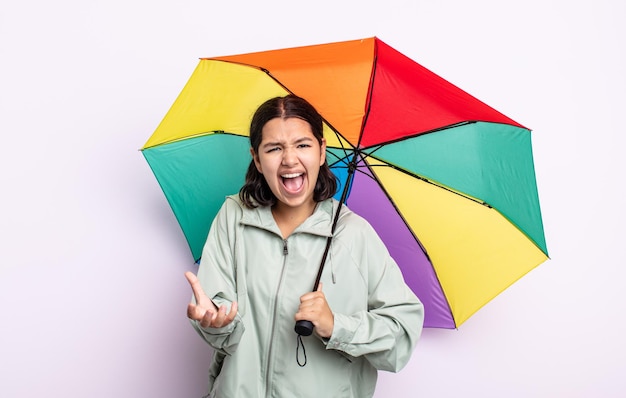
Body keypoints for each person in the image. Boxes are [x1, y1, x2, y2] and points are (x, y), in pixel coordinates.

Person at [185, 94, 424, 398]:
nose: (289, 159)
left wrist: (335, 325)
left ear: (322, 151)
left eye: (302, 145)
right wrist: (216, 323)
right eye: (274, 148)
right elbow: (221, 319)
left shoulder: (354, 235)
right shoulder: (234, 216)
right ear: (257, 159)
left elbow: (401, 336)